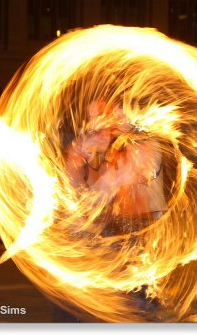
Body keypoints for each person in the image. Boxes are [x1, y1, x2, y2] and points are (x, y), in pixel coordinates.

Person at [65, 100, 167, 235]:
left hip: (148, 229)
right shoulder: (82, 160)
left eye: (105, 118)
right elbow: (79, 207)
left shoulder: (141, 146)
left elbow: (141, 161)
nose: (103, 130)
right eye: (95, 128)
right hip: (114, 231)